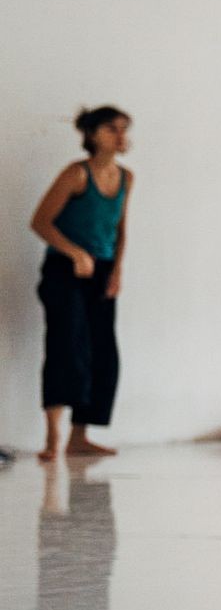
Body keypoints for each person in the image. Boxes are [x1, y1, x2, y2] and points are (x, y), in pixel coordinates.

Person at [29, 107, 133, 462]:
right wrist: (73, 253)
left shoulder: (126, 178)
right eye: (111, 129)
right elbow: (41, 222)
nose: (120, 136)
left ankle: (80, 436)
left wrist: (117, 270)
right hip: (65, 269)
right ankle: (52, 437)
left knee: (103, 352)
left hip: (102, 272)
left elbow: (120, 231)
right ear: (92, 134)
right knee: (65, 347)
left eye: (124, 129)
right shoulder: (76, 174)